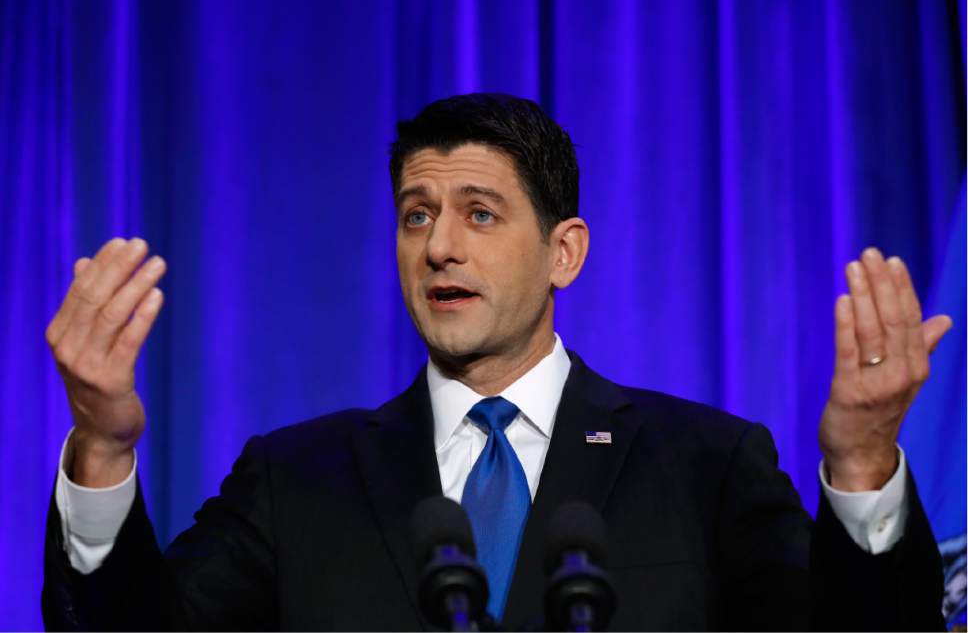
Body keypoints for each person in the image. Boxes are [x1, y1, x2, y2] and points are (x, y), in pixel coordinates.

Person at [42, 93, 950, 630]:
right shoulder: (294, 479)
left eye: (480, 213)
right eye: (415, 213)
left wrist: (865, 464)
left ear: (565, 253)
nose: (438, 247)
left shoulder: (704, 465)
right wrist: (104, 453)